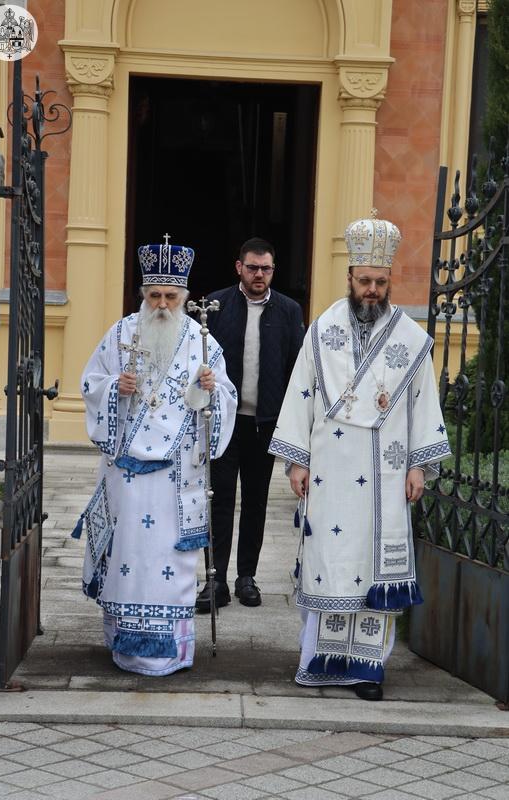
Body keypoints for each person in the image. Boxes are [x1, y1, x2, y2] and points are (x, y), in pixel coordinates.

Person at [269, 212, 451, 700]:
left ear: (390, 281)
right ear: (349, 276)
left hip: (385, 473)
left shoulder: (410, 339)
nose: (372, 290)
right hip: (329, 471)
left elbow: (422, 404)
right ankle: (322, 659)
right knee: (329, 559)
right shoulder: (321, 331)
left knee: (373, 570)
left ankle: (368, 667)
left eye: (380, 282)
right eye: (365, 280)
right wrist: (297, 460)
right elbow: (301, 395)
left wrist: (419, 466)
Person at [75, 238, 237, 676]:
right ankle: (124, 643)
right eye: (154, 296)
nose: (162, 305)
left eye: (170, 297)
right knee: (128, 558)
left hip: (176, 478)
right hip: (126, 476)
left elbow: (226, 397)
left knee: (169, 563)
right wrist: (115, 389)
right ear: (143, 295)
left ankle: (172, 651)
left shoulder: (201, 340)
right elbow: (90, 383)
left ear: (184, 297)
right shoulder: (120, 333)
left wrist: (211, 390)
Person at [195, 237, 305, 612]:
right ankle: (216, 580)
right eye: (253, 267)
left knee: (256, 502)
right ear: (239, 267)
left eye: (266, 268)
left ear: (273, 270)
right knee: (220, 501)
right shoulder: (215, 306)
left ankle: (246, 577)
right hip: (224, 423)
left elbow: (296, 369)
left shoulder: (288, 310)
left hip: (265, 424)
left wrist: (293, 423)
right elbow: (197, 360)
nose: (260, 274)